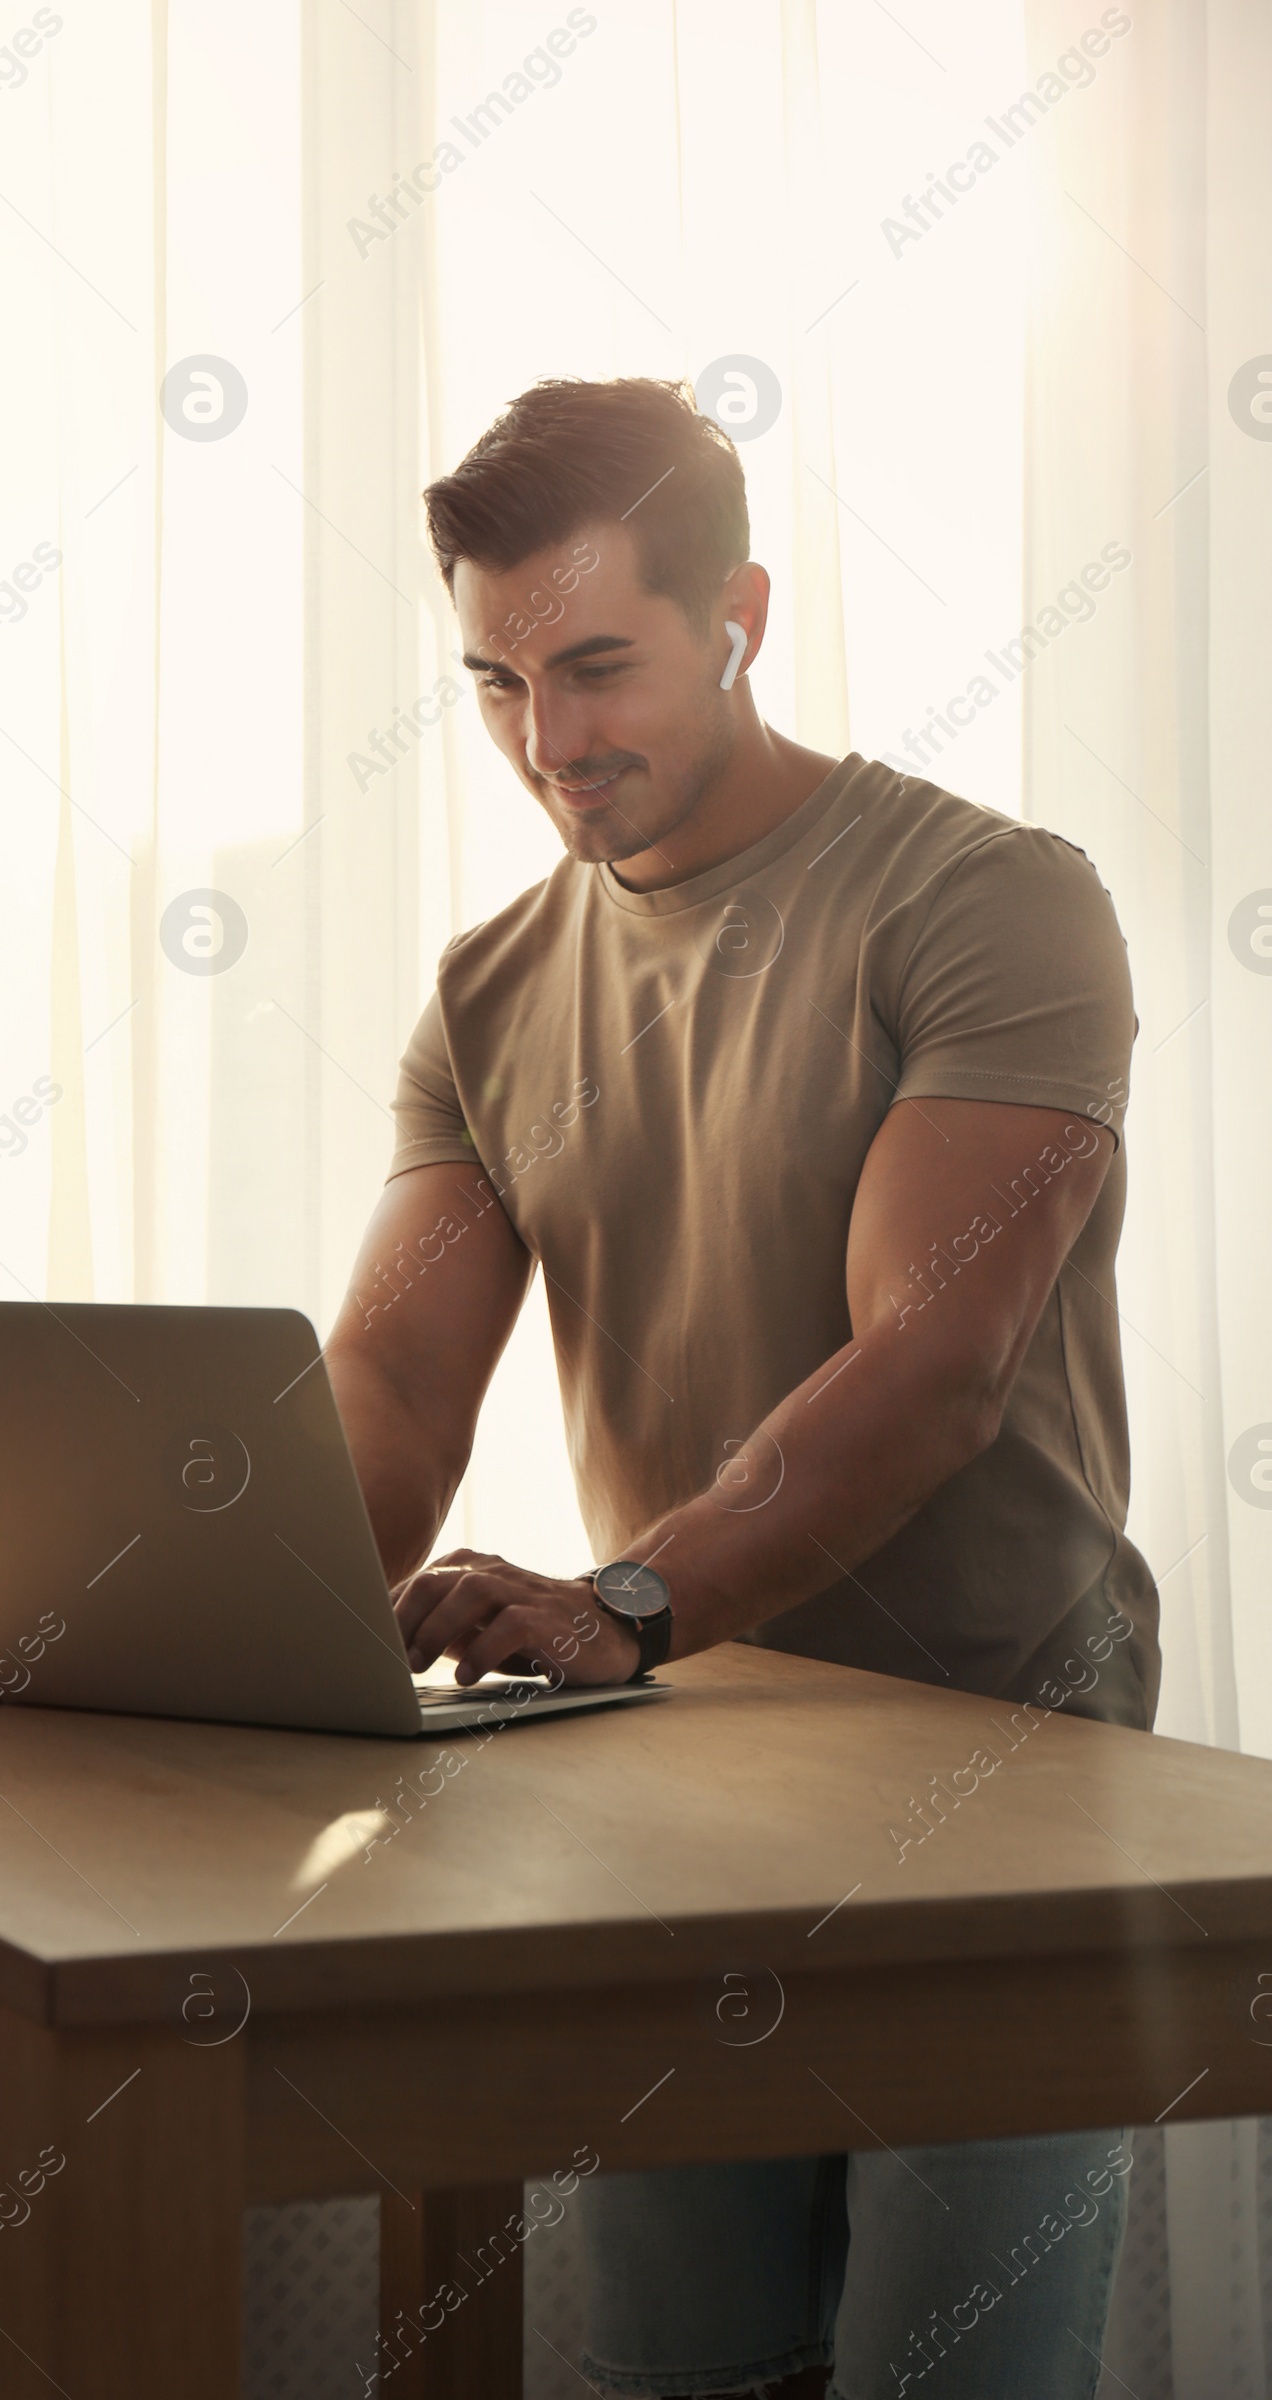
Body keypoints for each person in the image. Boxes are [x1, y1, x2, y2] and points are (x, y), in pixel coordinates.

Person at [323, 377, 1155, 2400]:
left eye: (596, 665)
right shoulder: (485, 988)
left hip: (993, 1779)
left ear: (739, 614)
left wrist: (616, 1605)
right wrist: (230, 1621)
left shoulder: (985, 900)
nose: (549, 743)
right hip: (683, 1762)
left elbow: (931, 1366)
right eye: (496, 682)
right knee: (687, 2375)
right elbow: (393, 1387)